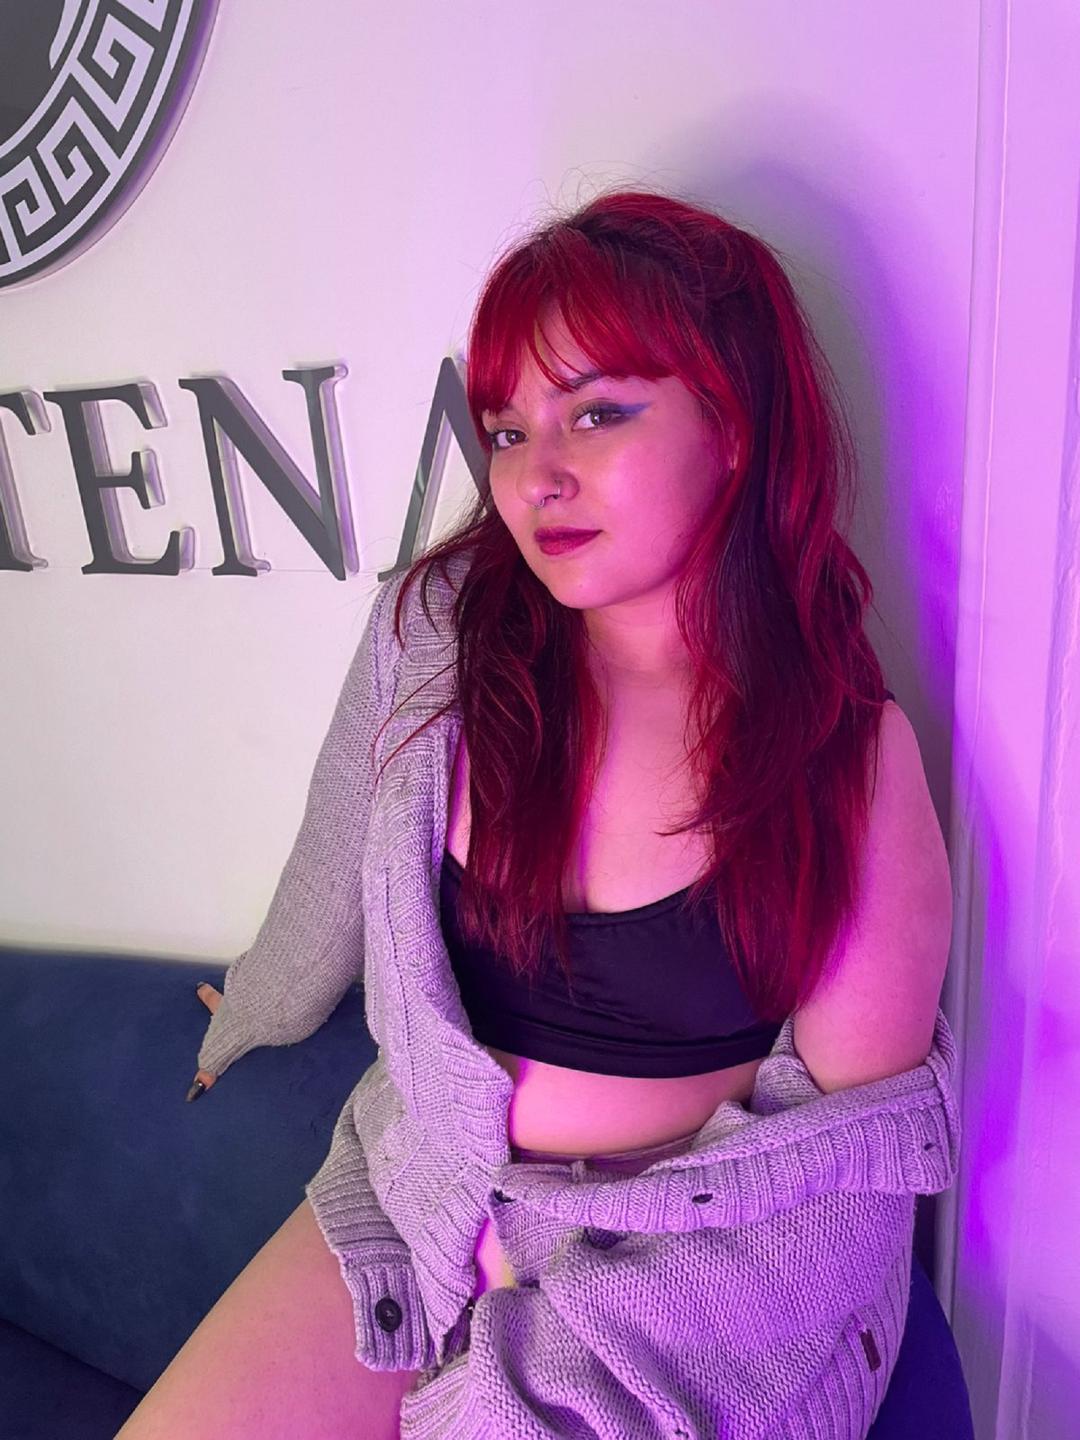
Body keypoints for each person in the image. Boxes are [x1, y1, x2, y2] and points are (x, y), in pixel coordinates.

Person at [118, 186, 956, 1439]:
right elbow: (336, 853)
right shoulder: (439, 633)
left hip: (684, 1277)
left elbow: (834, 1188)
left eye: (599, 412)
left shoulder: (846, 758)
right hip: (425, 1199)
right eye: (506, 431)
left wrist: (528, 1334)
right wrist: (256, 1007)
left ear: (735, 425)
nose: (536, 476)